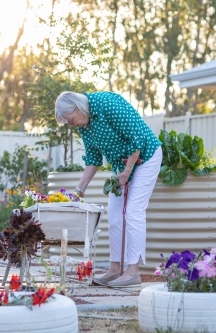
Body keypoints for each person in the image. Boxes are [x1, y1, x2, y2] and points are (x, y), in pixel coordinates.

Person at [54, 91, 162, 287]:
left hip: (146, 157)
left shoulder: (107, 104)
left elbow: (136, 138)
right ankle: (114, 269)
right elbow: (93, 158)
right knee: (114, 215)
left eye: (69, 120)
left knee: (133, 212)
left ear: (77, 108)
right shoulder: (84, 125)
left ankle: (132, 272)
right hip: (122, 166)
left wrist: (128, 171)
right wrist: (80, 189)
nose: (70, 126)